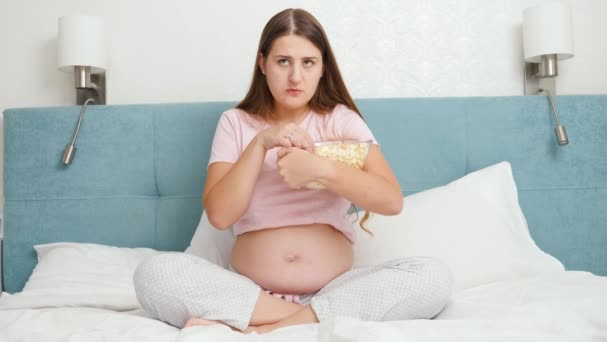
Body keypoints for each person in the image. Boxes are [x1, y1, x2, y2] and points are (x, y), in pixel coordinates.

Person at [133, 8, 453, 334]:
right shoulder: (235, 123)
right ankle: (301, 320)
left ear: (322, 68)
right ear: (263, 63)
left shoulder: (340, 120)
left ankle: (263, 330)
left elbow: (391, 200)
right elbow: (219, 215)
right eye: (283, 61)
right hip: (251, 292)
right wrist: (259, 144)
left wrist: (322, 169)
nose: (296, 77)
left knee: (432, 277)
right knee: (154, 273)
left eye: (308, 62)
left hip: (335, 290)